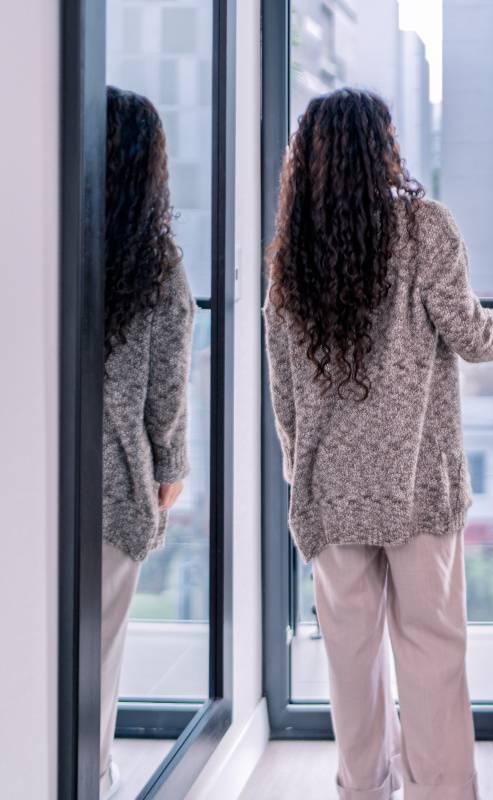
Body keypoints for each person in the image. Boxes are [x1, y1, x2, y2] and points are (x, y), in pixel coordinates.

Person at [264, 87, 493, 800]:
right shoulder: (426, 229)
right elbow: (472, 335)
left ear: (309, 161)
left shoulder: (292, 255)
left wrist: (300, 473)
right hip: (419, 487)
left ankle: (364, 790)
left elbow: (284, 389)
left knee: (351, 665)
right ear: (384, 148)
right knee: (432, 654)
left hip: (331, 495)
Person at [100, 86, 196, 798]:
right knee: (98, 650)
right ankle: (91, 773)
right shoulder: (155, 266)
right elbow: (167, 391)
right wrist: (170, 467)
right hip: (115, 481)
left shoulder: (43, 238)